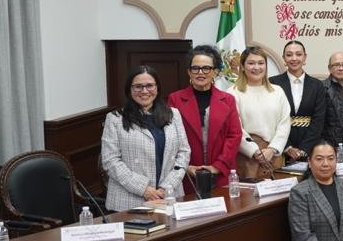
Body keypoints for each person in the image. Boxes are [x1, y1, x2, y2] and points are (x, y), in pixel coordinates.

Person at [100, 66, 191, 212]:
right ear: (129, 90)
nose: (144, 91)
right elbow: (110, 161)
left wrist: (166, 187)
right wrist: (143, 189)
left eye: (149, 85)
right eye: (138, 86)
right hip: (129, 200)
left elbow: (184, 152)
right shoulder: (115, 119)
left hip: (168, 195)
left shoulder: (173, 114)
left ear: (157, 88)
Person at [168, 44, 242, 193]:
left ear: (215, 72)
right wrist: (186, 167)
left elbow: (234, 135)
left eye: (206, 68)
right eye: (195, 68)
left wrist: (218, 166)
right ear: (189, 72)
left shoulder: (228, 100)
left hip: (221, 172)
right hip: (188, 174)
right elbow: (171, 138)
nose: (200, 73)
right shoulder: (175, 99)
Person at [230, 45, 291, 180]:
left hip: (274, 155)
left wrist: (272, 149)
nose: (256, 67)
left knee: (277, 192)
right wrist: (254, 151)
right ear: (242, 66)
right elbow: (235, 128)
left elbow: (284, 124)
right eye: (251, 63)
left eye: (261, 63)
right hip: (247, 157)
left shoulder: (278, 91)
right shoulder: (233, 93)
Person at [269, 40, 329, 162]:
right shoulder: (273, 83)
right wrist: (287, 147)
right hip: (280, 145)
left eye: (298, 54)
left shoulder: (317, 85)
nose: (294, 58)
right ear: (284, 58)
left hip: (310, 146)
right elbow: (270, 118)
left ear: (304, 57)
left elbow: (318, 120)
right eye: (289, 55)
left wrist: (304, 149)